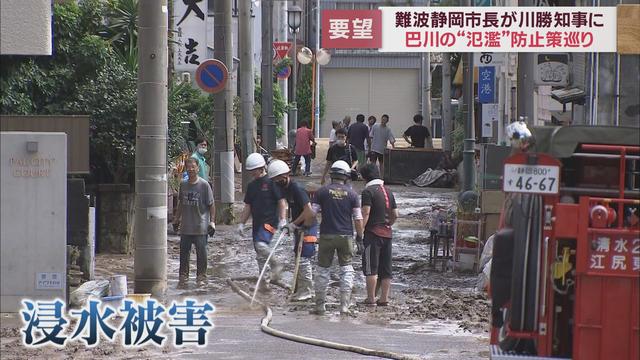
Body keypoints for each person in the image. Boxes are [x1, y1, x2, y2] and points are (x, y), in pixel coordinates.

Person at [312, 160, 364, 315]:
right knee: (347, 270)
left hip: (326, 236)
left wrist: (301, 226)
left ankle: (320, 306)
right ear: (346, 176)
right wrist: (360, 237)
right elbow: (358, 218)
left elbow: (312, 214)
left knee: (322, 270)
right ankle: (344, 307)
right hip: (346, 236)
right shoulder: (353, 195)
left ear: (332, 174)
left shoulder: (321, 192)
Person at [267, 160, 318, 301]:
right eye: (274, 180)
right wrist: (285, 222)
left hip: (308, 226)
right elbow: (283, 203)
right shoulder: (283, 188)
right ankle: (298, 288)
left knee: (304, 259)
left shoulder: (297, 188)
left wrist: (294, 224)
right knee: (297, 257)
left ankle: (307, 291)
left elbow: (309, 211)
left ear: (285, 176)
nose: (276, 182)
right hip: (298, 227)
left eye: (278, 179)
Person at [238, 153, 288, 292]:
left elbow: (281, 202)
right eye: (251, 171)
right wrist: (241, 223)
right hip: (257, 225)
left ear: (261, 168)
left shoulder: (272, 182)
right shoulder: (251, 186)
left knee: (261, 245)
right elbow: (248, 206)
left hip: (269, 223)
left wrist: (283, 219)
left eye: (254, 170)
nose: (252, 173)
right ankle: (264, 284)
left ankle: (276, 264)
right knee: (260, 256)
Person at [359, 163, 398, 307]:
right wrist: (388, 225)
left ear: (365, 177)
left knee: (371, 268)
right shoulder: (388, 191)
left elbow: (366, 212)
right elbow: (395, 214)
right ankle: (384, 299)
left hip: (372, 234)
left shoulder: (368, 192)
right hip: (387, 234)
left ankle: (370, 298)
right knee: (386, 269)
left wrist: (359, 231)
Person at [173, 158, 215, 288]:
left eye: (193, 167)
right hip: (186, 226)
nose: (191, 169)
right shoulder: (183, 184)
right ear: (186, 168)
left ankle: (201, 277)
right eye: (188, 167)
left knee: (201, 254)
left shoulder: (204, 185)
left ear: (198, 168)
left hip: (201, 227)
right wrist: (176, 219)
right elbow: (180, 203)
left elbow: (212, 205)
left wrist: (212, 222)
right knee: (183, 254)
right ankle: (183, 278)